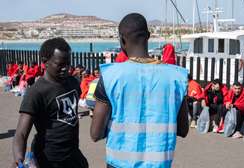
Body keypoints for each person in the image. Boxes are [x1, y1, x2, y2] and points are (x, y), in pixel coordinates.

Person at [90, 13, 189, 168]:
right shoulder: (176, 77)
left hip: (119, 164)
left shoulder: (111, 76)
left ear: (122, 40)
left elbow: (95, 134)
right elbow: (183, 130)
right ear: (148, 36)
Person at [12, 37, 88, 168]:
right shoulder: (36, 92)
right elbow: (21, 133)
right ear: (45, 62)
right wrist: (18, 159)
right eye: (60, 64)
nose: (65, 68)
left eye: (68, 63)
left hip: (73, 154)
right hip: (48, 159)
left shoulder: (73, 82)